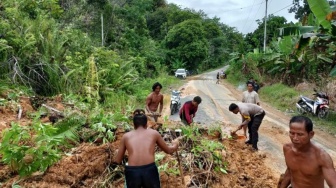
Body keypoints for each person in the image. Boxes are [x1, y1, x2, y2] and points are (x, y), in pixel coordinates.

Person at [114, 109, 180, 188]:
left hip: (132, 172)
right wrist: (175, 144)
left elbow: (117, 160)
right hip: (149, 170)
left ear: (134, 125)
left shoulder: (126, 136)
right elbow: (169, 150)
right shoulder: (153, 133)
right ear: (146, 124)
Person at [278, 116, 336, 188]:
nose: (295, 138)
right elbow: (290, 171)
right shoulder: (287, 149)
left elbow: (334, 184)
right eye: (292, 133)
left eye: (300, 134)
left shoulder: (321, 157)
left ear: (311, 134)